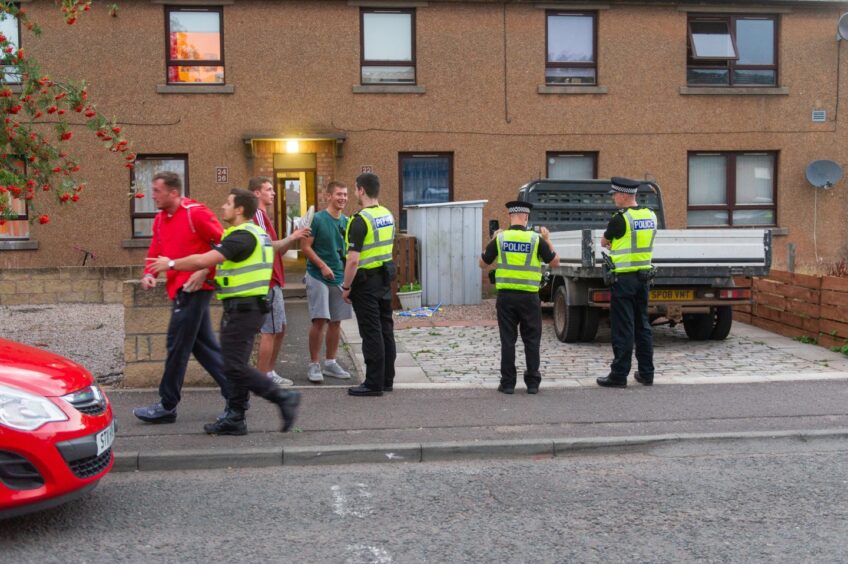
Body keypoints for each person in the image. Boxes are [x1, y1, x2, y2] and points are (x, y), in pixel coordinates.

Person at [149, 189, 307, 435]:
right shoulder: (256, 233)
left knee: (233, 365)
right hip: (247, 308)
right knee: (235, 364)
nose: (223, 207)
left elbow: (203, 260)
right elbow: (264, 249)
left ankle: (282, 397)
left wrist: (169, 263)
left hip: (243, 310)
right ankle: (235, 416)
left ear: (240, 210)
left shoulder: (241, 236)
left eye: (228, 203)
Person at [133, 171, 232, 424]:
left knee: (176, 346)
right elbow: (156, 250)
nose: (152, 195)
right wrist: (149, 274)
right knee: (204, 348)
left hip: (194, 289)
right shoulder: (159, 219)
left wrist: (203, 271)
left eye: (157, 191)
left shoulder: (195, 213)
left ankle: (167, 405)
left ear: (173, 192)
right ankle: (236, 393)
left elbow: (224, 245)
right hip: (178, 289)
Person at [480, 201, 560, 394]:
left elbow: (482, 264)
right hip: (529, 297)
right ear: (526, 217)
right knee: (531, 340)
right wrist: (547, 238)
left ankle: (508, 384)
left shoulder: (501, 239)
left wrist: (493, 239)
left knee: (508, 340)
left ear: (510, 216)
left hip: (506, 298)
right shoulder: (535, 239)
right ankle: (532, 384)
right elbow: (555, 263)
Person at [596, 177, 658, 388]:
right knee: (643, 325)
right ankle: (647, 373)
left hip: (623, 279)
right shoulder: (651, 215)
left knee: (623, 328)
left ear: (623, 195)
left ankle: (619, 375)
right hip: (643, 278)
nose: (613, 198)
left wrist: (613, 244)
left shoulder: (620, 218)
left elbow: (604, 241)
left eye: (615, 194)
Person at [340, 172, 396, 397]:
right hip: (384, 279)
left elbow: (353, 259)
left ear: (361, 190)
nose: (355, 193)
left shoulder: (360, 220)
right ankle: (386, 379)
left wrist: (346, 287)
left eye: (355, 189)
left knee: (371, 332)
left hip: (365, 283)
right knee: (385, 330)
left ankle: (373, 383)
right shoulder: (387, 215)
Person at [248, 176, 307, 387]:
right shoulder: (258, 215)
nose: (273, 193)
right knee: (270, 330)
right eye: (269, 189)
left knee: (279, 328)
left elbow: (279, 250)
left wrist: (293, 236)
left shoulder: (264, 217)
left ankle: (269, 372)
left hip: (274, 280)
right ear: (257, 193)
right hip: (268, 281)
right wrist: (293, 237)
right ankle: (264, 377)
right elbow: (267, 247)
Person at [300, 180, 354, 384]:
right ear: (329, 196)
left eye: (345, 194)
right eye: (339, 194)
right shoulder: (318, 219)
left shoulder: (347, 222)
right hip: (317, 275)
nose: (343, 198)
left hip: (339, 276)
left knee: (336, 321)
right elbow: (305, 246)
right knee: (320, 319)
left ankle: (330, 363)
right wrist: (322, 265)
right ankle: (314, 364)